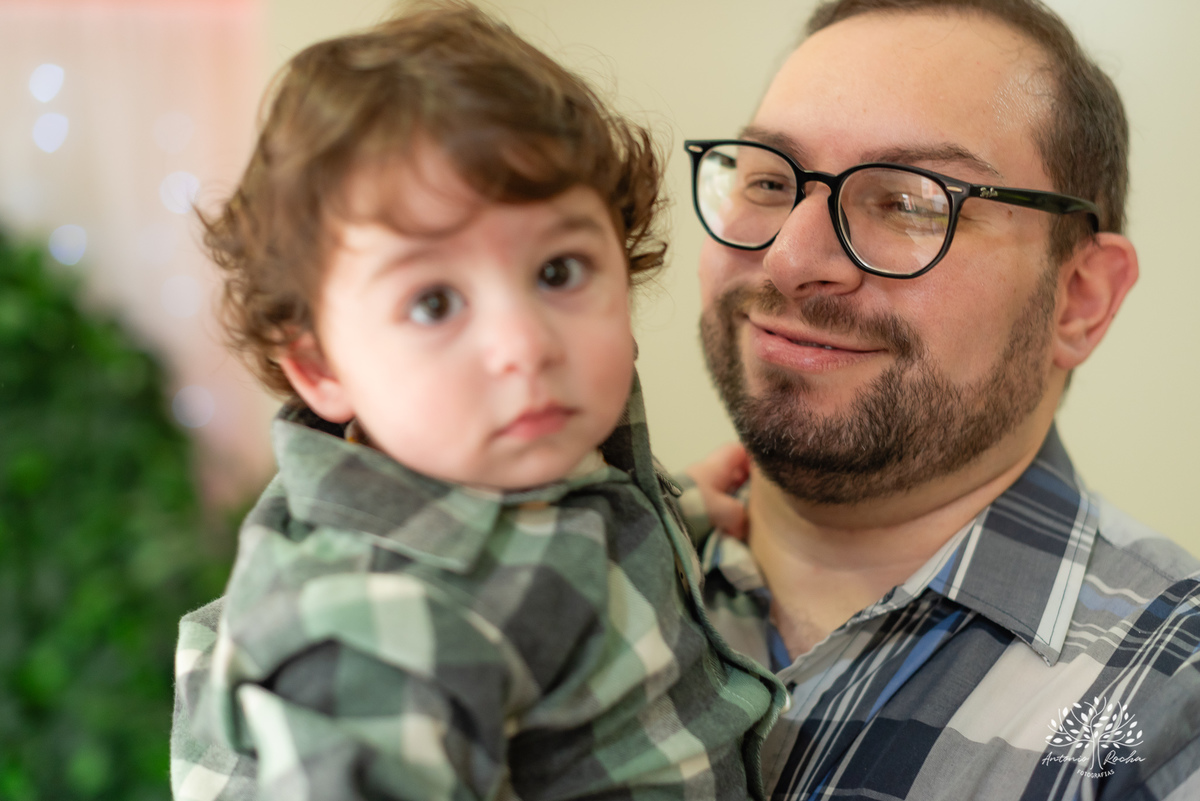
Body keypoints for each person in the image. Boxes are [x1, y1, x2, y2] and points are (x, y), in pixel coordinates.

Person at [168, 4, 788, 800]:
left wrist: (679, 509)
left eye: (559, 271)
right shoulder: (368, 632)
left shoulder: (537, 440)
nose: (524, 342)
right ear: (322, 368)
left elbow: (581, 539)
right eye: (433, 303)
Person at [680, 0, 1200, 799]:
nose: (789, 260)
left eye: (908, 201)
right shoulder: (593, 565)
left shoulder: (1172, 706)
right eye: (769, 180)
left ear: (1080, 298)